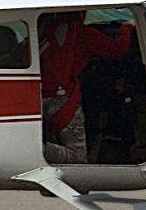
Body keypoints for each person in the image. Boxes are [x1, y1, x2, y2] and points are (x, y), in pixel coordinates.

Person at [38, 11, 133, 164]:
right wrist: (127, 27)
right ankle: (35, 149)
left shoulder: (40, 30)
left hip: (36, 98)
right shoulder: (82, 33)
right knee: (78, 157)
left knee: (54, 144)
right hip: (63, 101)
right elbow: (118, 50)